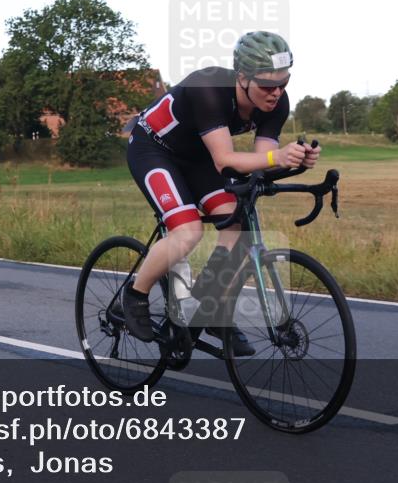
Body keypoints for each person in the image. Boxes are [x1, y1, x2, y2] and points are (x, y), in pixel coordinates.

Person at [122, 31, 321, 354]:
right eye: (267, 86)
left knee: (236, 228)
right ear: (242, 78)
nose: (277, 93)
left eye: (284, 83)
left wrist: (295, 160)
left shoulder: (275, 103)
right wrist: (278, 157)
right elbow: (226, 160)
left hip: (198, 157)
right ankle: (133, 296)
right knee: (188, 232)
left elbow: (262, 163)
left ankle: (209, 308)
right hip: (153, 150)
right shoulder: (210, 89)